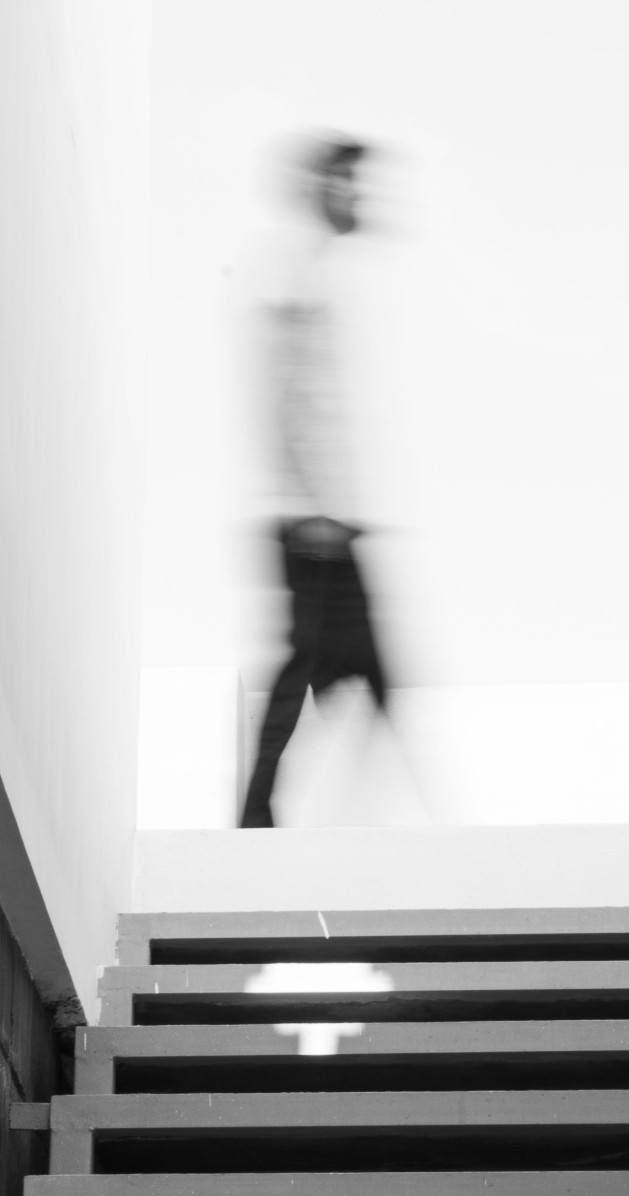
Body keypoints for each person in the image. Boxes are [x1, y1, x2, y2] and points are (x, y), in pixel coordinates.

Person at [239, 135, 390, 828]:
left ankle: (271, 811)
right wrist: (319, 511)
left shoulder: (315, 269)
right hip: (312, 524)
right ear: (317, 187)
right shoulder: (297, 270)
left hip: (321, 519)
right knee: (332, 666)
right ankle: (264, 813)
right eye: (348, 183)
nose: (359, 196)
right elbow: (286, 400)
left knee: (334, 666)